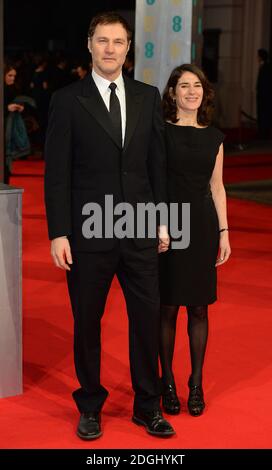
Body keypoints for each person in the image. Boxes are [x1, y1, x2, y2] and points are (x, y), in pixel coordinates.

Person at [44, 12, 174, 440]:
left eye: (118, 42)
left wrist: (163, 221)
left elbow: (157, 165)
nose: (110, 49)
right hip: (87, 232)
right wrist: (59, 232)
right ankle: (91, 406)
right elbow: (57, 173)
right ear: (89, 44)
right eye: (102, 40)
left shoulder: (146, 95)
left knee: (146, 320)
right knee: (87, 322)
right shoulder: (67, 100)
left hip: (139, 228)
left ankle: (147, 406)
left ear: (128, 48)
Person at [159, 64, 231, 417]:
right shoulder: (161, 132)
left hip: (202, 227)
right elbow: (153, 182)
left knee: (199, 307)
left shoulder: (214, 136)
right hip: (169, 227)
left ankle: (196, 383)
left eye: (197, 85)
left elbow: (217, 187)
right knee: (168, 306)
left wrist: (224, 232)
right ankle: (168, 383)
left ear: (205, 92)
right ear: (172, 93)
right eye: (183, 85)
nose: (191, 91)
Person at [256, 49, 272, 139]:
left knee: (264, 114)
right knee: (261, 114)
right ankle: (261, 131)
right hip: (262, 96)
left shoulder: (267, 67)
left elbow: (266, 83)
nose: (257, 58)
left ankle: (264, 133)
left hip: (265, 96)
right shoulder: (263, 66)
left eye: (258, 56)